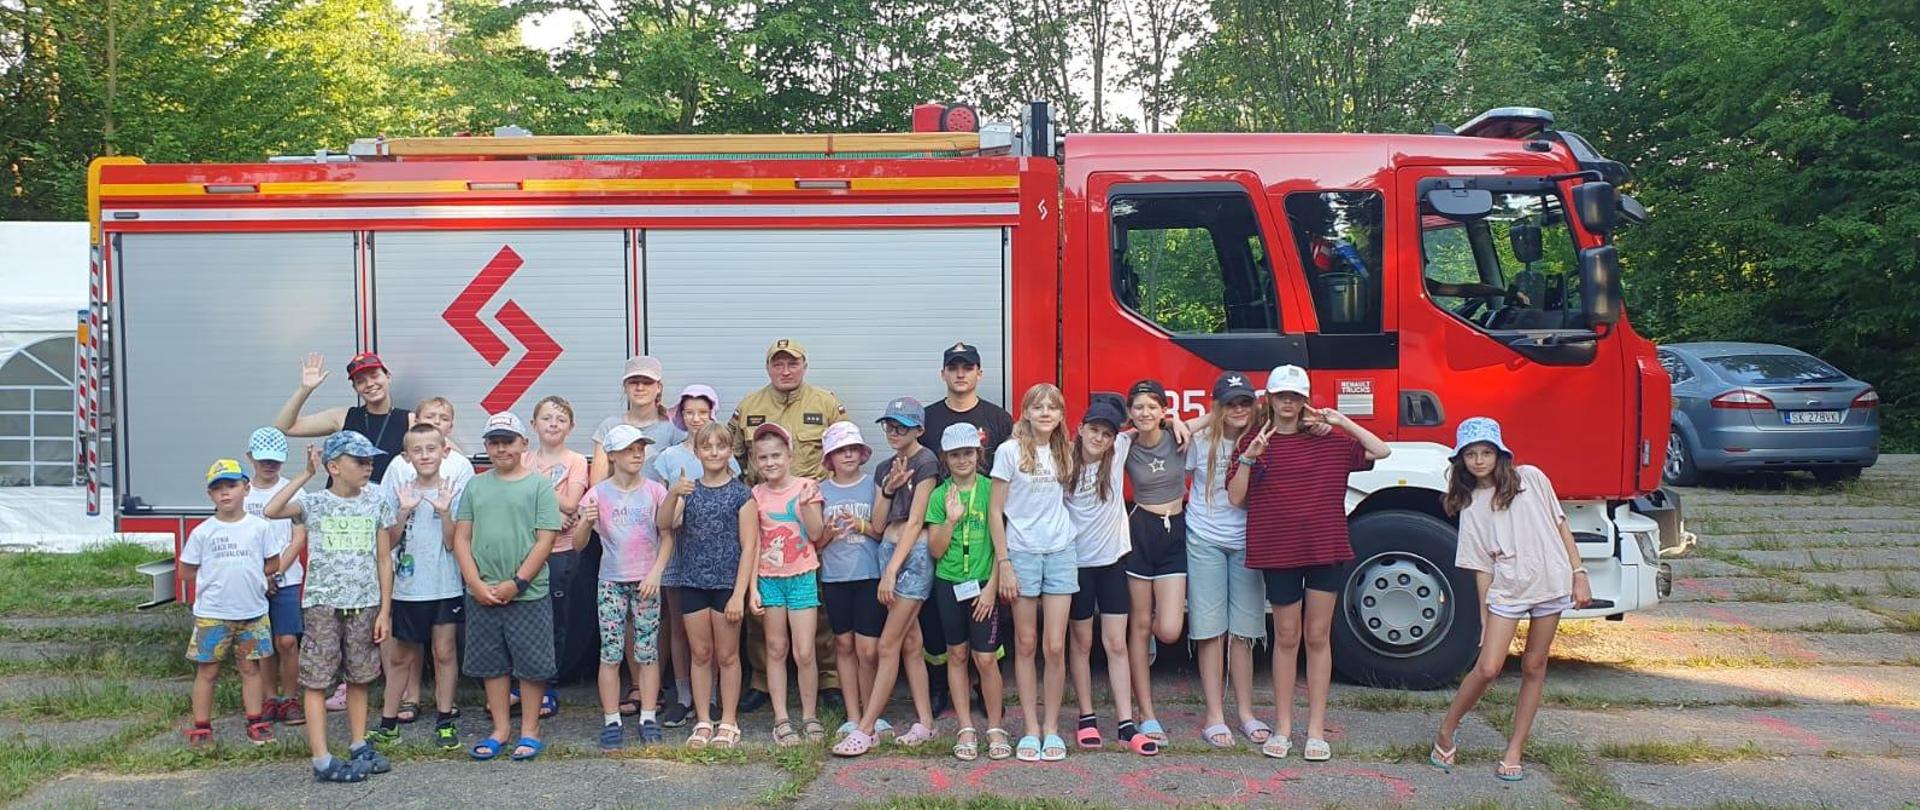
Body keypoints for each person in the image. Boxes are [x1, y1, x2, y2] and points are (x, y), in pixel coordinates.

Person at [1227, 365, 1390, 762]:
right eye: (1281, 395)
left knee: (1317, 636)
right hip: (1278, 550)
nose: (1288, 403)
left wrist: (1341, 421)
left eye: (1295, 396)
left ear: (1304, 400)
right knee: (1286, 637)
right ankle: (1283, 726)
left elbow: (1381, 450)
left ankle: (1315, 729)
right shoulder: (1255, 440)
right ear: (1269, 398)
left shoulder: (1331, 440)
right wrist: (1249, 459)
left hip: (1324, 547)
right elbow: (1236, 497)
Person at [1431, 417, 1592, 782]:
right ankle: (1446, 728)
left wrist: (1578, 574)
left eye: (1486, 452)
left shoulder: (1532, 478)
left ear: (1500, 454)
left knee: (1535, 666)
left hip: (1551, 582)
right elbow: (1480, 566)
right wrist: (1486, 619)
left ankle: (1514, 748)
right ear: (1461, 461)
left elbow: (1560, 524)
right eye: (1470, 454)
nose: (1479, 460)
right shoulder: (1470, 505)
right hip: (1508, 588)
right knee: (1488, 667)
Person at [263, 431, 398, 783]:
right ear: (334, 467)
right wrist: (305, 474)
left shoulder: (377, 501)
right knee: (317, 681)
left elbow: (384, 559)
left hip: (364, 602)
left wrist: (385, 609)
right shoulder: (315, 503)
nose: (368, 467)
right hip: (322, 604)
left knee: (360, 677)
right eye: (360, 461)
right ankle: (321, 758)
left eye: (370, 461)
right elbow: (271, 509)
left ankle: (358, 743)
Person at [728, 338, 848, 711]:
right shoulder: (750, 406)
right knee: (761, 607)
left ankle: (827, 678)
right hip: (762, 515)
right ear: (768, 368)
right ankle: (762, 681)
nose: (785, 370)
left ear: (804, 366)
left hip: (812, 510)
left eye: (792, 364)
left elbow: (842, 451)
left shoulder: (825, 403)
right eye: (778, 364)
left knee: (818, 602)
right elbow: (732, 457)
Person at [453, 412, 562, 762]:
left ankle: (529, 730)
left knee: (532, 664)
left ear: (523, 444)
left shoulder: (539, 485)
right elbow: (462, 537)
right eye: (494, 442)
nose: (501, 448)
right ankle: (500, 728)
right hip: (482, 593)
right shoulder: (476, 485)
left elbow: (546, 539)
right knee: (492, 664)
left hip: (527, 593)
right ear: (486, 447)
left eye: (508, 441)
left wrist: (517, 582)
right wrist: (474, 582)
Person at [833, 399, 939, 756]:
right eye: (890, 426)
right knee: (910, 643)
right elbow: (878, 524)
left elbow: (915, 520)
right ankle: (925, 723)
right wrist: (890, 488)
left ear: (919, 431)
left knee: (887, 644)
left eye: (903, 427)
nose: (895, 433)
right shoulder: (883, 468)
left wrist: (891, 571)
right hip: (886, 551)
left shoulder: (927, 462)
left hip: (913, 557)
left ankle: (867, 728)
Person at [913, 341, 1014, 716]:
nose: (960, 373)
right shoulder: (927, 420)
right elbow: (915, 462)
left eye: (968, 367)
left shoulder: (999, 419)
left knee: (990, 628)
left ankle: (988, 693)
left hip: (986, 543)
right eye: (953, 367)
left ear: (979, 373)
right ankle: (942, 689)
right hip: (945, 534)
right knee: (942, 631)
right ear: (943, 374)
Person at [1184, 372, 1272, 750]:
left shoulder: (1262, 439)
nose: (1239, 409)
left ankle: (1247, 713)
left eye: (1245, 402)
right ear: (1218, 406)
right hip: (1204, 538)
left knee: (1244, 631)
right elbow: (1176, 433)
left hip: (1246, 542)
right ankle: (1214, 715)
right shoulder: (1202, 440)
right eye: (1230, 403)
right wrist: (1211, 417)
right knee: (1210, 630)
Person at [1062, 395, 1154, 756]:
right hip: (1077, 564)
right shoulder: (1062, 460)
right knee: (1082, 642)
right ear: (1081, 429)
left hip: (1112, 561)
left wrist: (1177, 422)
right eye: (1094, 430)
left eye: (1106, 433)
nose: (1099, 438)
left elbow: (1150, 425)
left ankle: (1126, 722)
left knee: (1116, 643)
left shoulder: (1118, 451)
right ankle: (1086, 716)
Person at [572, 424, 673, 751]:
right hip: (611, 582)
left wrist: (656, 572)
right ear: (612, 455)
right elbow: (578, 544)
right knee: (611, 653)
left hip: (646, 583)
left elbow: (668, 536)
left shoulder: (655, 491)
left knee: (648, 652)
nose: (637, 454)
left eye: (641, 448)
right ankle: (612, 719)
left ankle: (647, 716)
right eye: (629, 449)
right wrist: (586, 522)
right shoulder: (598, 494)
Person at [991, 383, 1077, 763]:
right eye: (1037, 406)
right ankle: (1030, 727)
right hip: (1022, 553)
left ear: (1060, 415)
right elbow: (996, 511)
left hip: (1060, 550)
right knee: (1025, 643)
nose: (1045, 413)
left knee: (1055, 645)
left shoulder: (1065, 451)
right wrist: (1004, 563)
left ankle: (1052, 727)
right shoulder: (1009, 452)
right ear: (1025, 412)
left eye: (1052, 407)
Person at [644, 384, 738, 727]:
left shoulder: (726, 456)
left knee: (716, 630)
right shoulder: (667, 457)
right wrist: (673, 498)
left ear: (712, 413)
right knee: (681, 626)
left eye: (702, 411)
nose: (696, 418)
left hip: (715, 555)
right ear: (680, 417)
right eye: (689, 412)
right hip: (677, 551)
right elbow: (658, 504)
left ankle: (712, 697)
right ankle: (684, 695)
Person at [369, 423, 465, 752]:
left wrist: (445, 512)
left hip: (445, 585)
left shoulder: (452, 491)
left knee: (444, 651)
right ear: (406, 456)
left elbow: (454, 544)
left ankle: (445, 720)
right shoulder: (400, 492)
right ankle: (388, 724)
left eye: (431, 449)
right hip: (407, 589)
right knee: (399, 657)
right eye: (417, 450)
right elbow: (388, 543)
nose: (425, 455)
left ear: (444, 451)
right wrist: (404, 510)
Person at [661, 422, 755, 750]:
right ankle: (703, 719)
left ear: (730, 451)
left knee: (727, 655)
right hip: (692, 581)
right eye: (707, 447)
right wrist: (674, 493)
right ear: (697, 451)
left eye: (720, 446)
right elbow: (664, 525)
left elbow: (749, 547)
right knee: (700, 653)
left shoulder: (742, 493)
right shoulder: (689, 490)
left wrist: (739, 594)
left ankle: (728, 720)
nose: (714, 452)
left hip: (726, 584)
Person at [181, 459, 281, 749]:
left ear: (246, 488)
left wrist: (250, 579)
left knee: (250, 669)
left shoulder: (260, 528)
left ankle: (255, 720)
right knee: (207, 671)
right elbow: (187, 570)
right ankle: (201, 726)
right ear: (210, 495)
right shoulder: (203, 532)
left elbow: (271, 562)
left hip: (252, 612)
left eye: (231, 486)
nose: (225, 493)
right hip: (213, 615)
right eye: (218, 488)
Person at [923, 423, 1009, 762]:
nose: (962, 460)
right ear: (946, 458)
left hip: (984, 585)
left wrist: (991, 588)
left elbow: (1004, 541)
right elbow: (935, 549)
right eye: (955, 454)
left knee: (985, 658)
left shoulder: (991, 489)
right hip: (949, 584)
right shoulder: (939, 495)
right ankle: (965, 726)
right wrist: (952, 520)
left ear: (979, 454)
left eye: (968, 453)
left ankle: (995, 726)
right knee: (956, 655)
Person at [743, 423, 827, 746]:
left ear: (790, 455)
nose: (770, 462)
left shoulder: (807, 487)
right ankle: (781, 717)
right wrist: (752, 588)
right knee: (776, 648)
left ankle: (809, 714)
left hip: (802, 575)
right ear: (754, 461)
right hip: (769, 578)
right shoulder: (756, 495)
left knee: (805, 651)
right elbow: (753, 545)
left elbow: (817, 533)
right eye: (763, 457)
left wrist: (807, 505)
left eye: (776, 455)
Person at [1119, 380, 1189, 748]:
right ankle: (1146, 713)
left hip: (1175, 530)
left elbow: (1213, 417)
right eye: (1138, 407)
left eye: (1152, 407)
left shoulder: (1178, 436)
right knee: (1140, 624)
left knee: (1169, 630)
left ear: (1163, 409)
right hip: (1140, 529)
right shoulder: (1126, 445)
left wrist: (1178, 420)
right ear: (1130, 412)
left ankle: (1145, 654)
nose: (1145, 413)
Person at [816, 422, 884, 741]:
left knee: (868, 649)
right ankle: (853, 714)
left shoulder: (874, 486)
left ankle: (872, 711)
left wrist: (861, 524)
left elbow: (883, 532)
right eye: (841, 450)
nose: (848, 455)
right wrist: (828, 532)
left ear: (861, 453)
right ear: (830, 456)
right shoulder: (819, 491)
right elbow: (814, 542)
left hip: (869, 574)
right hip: (835, 576)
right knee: (843, 644)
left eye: (853, 449)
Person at [522, 395, 588, 719]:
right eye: (546, 418)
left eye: (561, 419)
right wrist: (551, 509)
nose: (553, 424)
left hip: (561, 552)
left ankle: (548, 683)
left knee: (555, 621)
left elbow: (573, 502)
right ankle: (521, 683)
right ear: (533, 425)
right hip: (526, 551)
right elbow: (517, 504)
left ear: (571, 427)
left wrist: (540, 498)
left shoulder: (577, 461)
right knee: (524, 618)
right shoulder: (522, 459)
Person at [243, 427, 305, 728]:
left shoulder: (293, 490)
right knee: (262, 641)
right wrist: (258, 574)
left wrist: (276, 570)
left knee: (288, 640)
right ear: (250, 457)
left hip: (286, 577)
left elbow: (298, 536)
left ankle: (291, 697)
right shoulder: (242, 492)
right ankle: (270, 697)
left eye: (276, 460)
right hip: (251, 579)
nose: (269, 465)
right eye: (263, 459)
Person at [274, 353, 411, 483]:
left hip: (385, 504)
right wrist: (305, 389)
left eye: (374, 376)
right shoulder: (343, 417)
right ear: (355, 388)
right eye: (360, 381)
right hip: (341, 503)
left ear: (388, 376)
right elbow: (285, 427)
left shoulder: (410, 420)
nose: (369, 384)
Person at [591, 355, 687, 484]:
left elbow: (682, 481)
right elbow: (597, 484)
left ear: (658, 387)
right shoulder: (609, 427)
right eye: (633, 382)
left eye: (647, 382)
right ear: (625, 387)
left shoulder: (674, 430)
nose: (640, 387)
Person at [384, 397, 475, 489]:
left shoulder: (461, 464)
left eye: (444, 419)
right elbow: (385, 501)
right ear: (416, 422)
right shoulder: (399, 463)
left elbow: (467, 501)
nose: (436, 422)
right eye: (429, 417)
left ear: (450, 427)